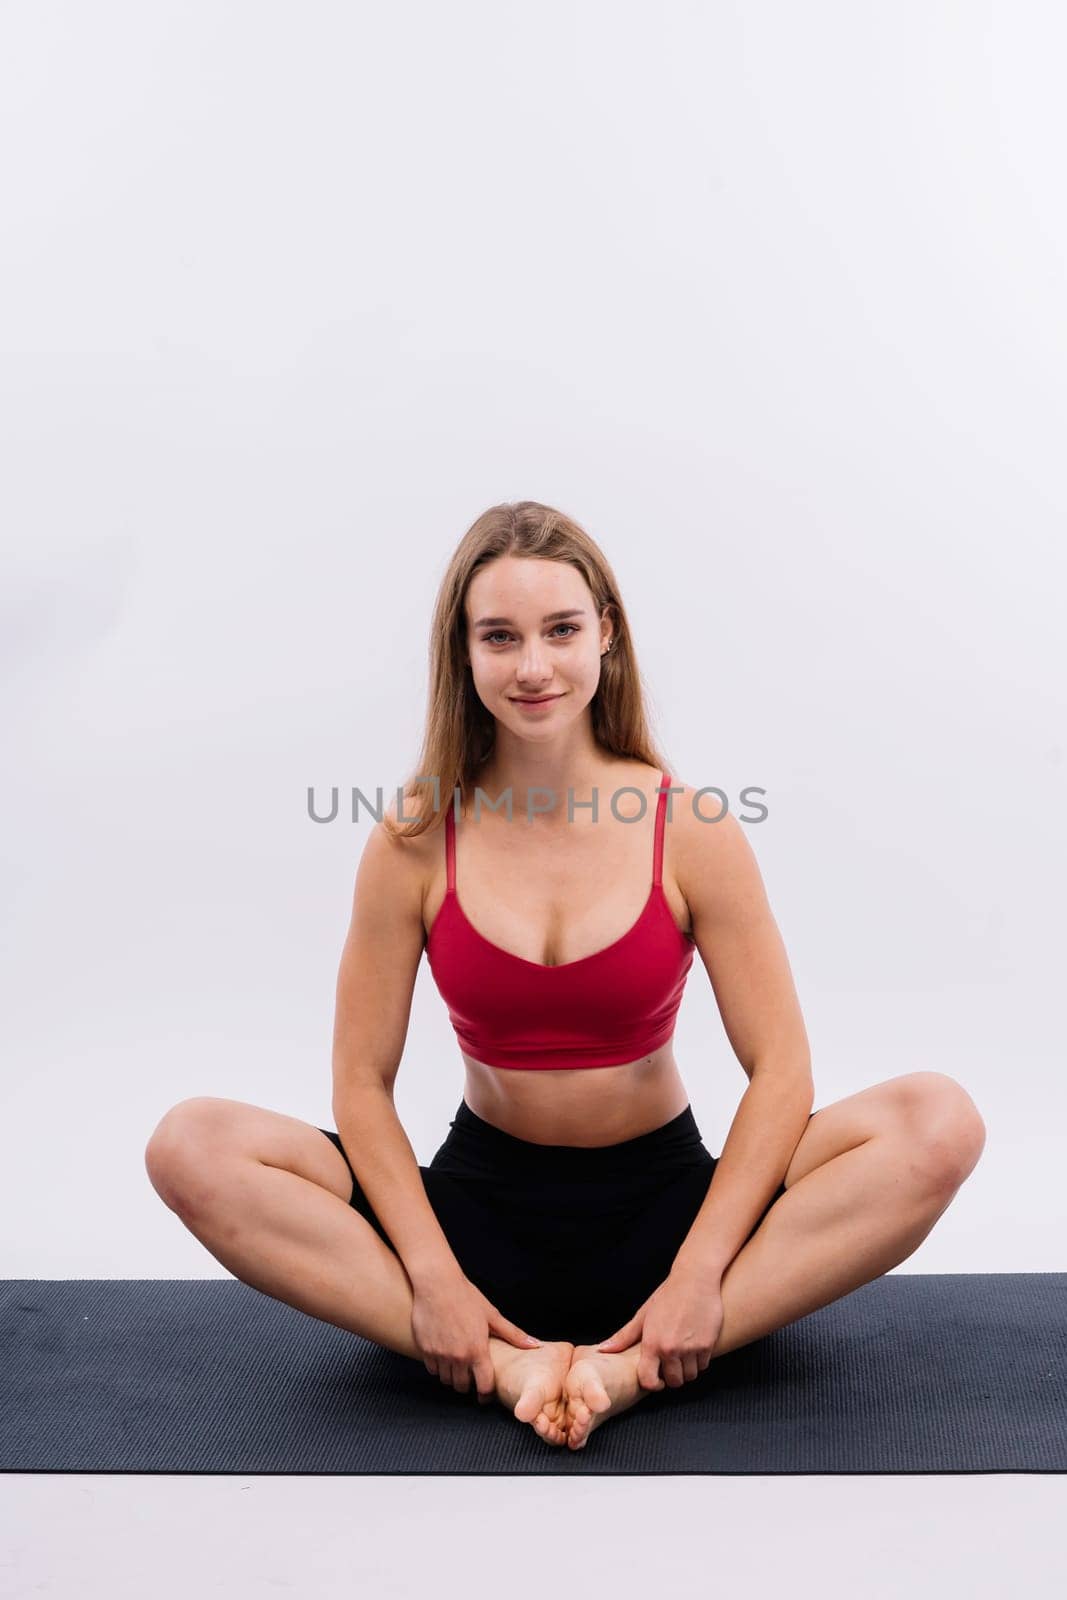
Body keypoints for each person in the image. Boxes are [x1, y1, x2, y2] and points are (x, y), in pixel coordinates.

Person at [145, 500, 987, 1452]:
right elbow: (361, 1085)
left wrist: (702, 1272)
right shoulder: (414, 839)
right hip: (475, 1223)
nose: (533, 666)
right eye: (499, 637)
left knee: (935, 1120)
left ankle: (631, 1367)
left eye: (560, 630)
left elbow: (781, 1069)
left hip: (669, 1216)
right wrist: (432, 1278)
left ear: (606, 637)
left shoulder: (692, 826)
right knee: (192, 1145)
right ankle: (504, 1364)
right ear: (462, 654)